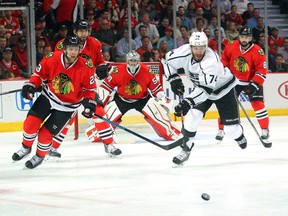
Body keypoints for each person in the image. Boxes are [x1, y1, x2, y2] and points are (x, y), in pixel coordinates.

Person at [162, 31, 247, 165]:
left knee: (231, 131)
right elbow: (166, 61)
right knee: (191, 118)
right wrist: (173, 79)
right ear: (190, 46)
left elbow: (205, 90)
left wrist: (188, 102)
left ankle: (239, 135)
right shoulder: (183, 52)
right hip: (203, 88)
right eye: (195, 48)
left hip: (224, 89)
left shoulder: (210, 61)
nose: (199, 51)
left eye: (202, 47)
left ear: (206, 46)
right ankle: (186, 149)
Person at [11, 36, 97, 169]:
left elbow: (90, 89)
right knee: (30, 124)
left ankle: (39, 156)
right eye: (70, 49)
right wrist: (32, 85)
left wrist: (90, 102)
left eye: (76, 49)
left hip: (67, 107)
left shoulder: (86, 66)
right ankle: (26, 148)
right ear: (65, 49)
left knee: (45, 135)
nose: (73, 52)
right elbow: (39, 75)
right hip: (48, 97)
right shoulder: (51, 58)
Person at [52, 19, 121, 158]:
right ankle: (51, 146)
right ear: (75, 31)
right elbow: (56, 64)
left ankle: (109, 144)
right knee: (67, 116)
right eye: (81, 31)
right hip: (67, 86)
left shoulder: (95, 43)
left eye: (85, 31)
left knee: (99, 110)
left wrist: (102, 67)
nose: (83, 34)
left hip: (87, 85)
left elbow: (100, 61)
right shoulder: (62, 44)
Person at [87, 51, 181, 142]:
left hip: (143, 99)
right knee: (104, 125)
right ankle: (97, 133)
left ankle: (171, 131)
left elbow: (156, 89)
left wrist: (163, 98)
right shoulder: (117, 70)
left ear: (138, 61)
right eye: (131, 61)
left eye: (135, 61)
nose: (133, 63)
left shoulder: (147, 70)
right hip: (122, 99)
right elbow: (106, 87)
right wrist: (99, 102)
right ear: (127, 61)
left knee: (163, 127)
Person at [215, 26, 271, 146]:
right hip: (234, 81)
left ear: (251, 38)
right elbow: (224, 59)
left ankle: (265, 129)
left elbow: (262, 71)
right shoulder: (231, 46)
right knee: (227, 105)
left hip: (251, 81)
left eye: (247, 37)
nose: (244, 39)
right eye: (242, 36)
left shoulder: (258, 51)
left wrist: (255, 84)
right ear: (239, 37)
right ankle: (221, 128)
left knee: (258, 105)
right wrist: (221, 70)